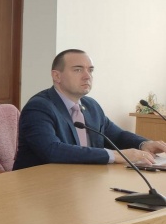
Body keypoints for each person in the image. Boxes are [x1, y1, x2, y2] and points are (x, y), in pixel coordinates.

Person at [13, 49, 166, 170]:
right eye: (78, 70)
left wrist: (144, 144)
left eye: (90, 70)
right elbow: (51, 150)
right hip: (39, 186)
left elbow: (117, 135)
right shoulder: (39, 107)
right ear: (56, 76)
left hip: (82, 180)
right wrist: (117, 155)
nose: (87, 76)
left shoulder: (91, 106)